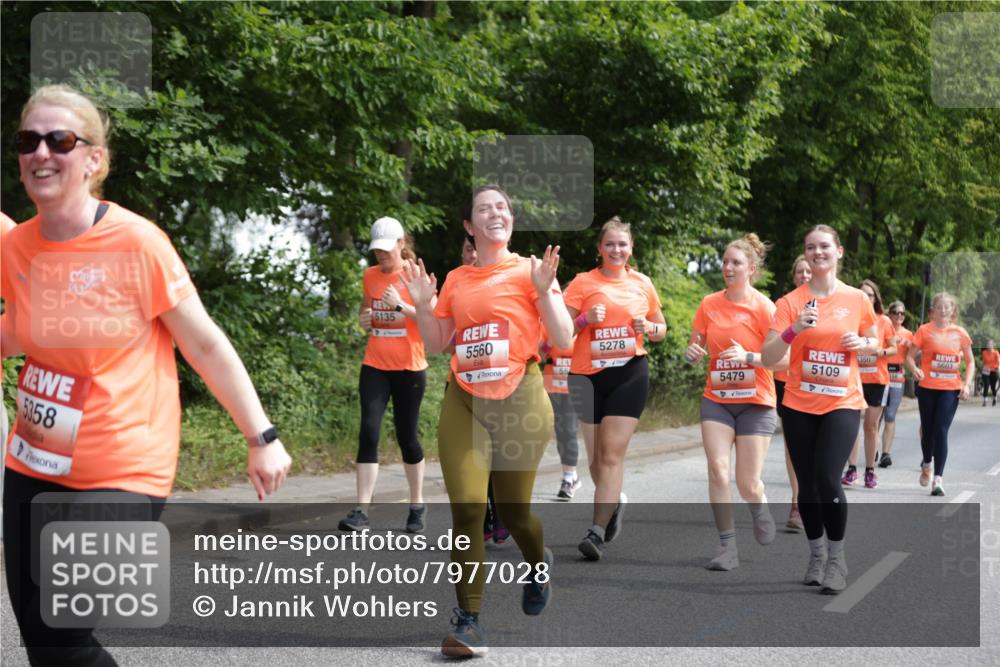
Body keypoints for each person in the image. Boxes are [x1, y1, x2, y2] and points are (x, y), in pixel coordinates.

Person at [1, 84, 291, 666]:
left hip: (123, 467)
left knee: (63, 634)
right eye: (28, 141)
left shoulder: (136, 243)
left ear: (93, 160)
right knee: (41, 638)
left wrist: (262, 437)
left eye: (59, 140)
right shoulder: (19, 248)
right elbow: (21, 332)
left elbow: (204, 344)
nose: (41, 153)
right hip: (34, 459)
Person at [402, 184, 573, 657]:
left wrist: (544, 295)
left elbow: (564, 337)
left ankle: (539, 563)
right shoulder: (457, 279)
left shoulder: (532, 271)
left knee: (516, 514)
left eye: (501, 207)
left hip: (521, 398)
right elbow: (438, 342)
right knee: (469, 511)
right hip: (465, 402)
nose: (494, 213)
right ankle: (469, 620)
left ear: (511, 220)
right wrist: (420, 303)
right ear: (469, 226)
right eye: (483, 208)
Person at [762, 224, 879, 595]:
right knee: (808, 487)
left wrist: (862, 342)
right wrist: (793, 330)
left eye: (824, 246)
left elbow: (876, 343)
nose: (818, 252)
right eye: (811, 247)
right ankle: (816, 555)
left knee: (828, 478)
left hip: (842, 402)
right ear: (806, 254)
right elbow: (767, 357)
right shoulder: (789, 303)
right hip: (798, 403)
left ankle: (837, 558)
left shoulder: (857, 300)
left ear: (839, 252)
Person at [564, 217, 667, 561]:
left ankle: (595, 531)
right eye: (610, 244)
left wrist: (650, 326)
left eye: (622, 244)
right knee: (595, 461)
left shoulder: (642, 283)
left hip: (629, 373)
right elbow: (560, 331)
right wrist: (584, 321)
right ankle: (616, 501)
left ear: (631, 248)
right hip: (586, 377)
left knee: (610, 455)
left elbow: (661, 330)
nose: (616, 250)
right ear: (600, 249)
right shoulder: (581, 283)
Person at [685, 234, 782, 571]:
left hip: (756, 402)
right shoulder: (709, 304)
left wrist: (751, 357)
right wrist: (692, 353)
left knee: (747, 483)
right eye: (725, 261)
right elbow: (693, 346)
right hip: (718, 400)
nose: (728, 267)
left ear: (751, 269)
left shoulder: (766, 307)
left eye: (735, 262)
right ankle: (728, 547)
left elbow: (784, 362)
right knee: (716, 469)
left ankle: (759, 505)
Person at [341, 217, 428, 533]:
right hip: (375, 364)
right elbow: (367, 309)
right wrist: (364, 319)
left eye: (387, 251)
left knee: (407, 437)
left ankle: (417, 505)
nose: (381, 257)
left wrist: (401, 306)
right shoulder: (370, 275)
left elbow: (432, 321)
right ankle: (361, 510)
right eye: (377, 251)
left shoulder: (416, 275)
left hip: (410, 368)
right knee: (368, 430)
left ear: (401, 244)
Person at [906, 292, 975, 496]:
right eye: (939, 306)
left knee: (941, 430)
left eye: (947, 307)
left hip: (950, 388)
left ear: (953, 311)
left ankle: (938, 479)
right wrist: (914, 369)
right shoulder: (924, 330)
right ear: (932, 311)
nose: (943, 310)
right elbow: (909, 357)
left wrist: (967, 384)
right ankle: (927, 462)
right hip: (927, 387)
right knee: (927, 431)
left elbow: (970, 361)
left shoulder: (960, 333)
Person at [842, 280, 896, 489]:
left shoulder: (884, 321)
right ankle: (852, 469)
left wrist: (880, 352)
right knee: (852, 425)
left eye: (870, 295)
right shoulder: (850, 318)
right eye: (862, 293)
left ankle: (870, 471)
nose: (865, 297)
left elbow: (893, 348)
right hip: (854, 378)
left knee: (870, 426)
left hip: (877, 380)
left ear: (875, 298)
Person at [774, 255, 810, 531]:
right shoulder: (785, 304)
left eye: (809, 271)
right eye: (800, 271)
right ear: (794, 276)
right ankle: (797, 503)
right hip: (786, 381)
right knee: (794, 445)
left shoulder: (835, 303)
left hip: (822, 385)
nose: (805, 275)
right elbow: (773, 346)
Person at [540, 321, 583, 500]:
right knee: (542, 432)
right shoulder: (546, 324)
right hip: (549, 387)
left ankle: (569, 478)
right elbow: (538, 355)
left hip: (574, 390)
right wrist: (549, 343)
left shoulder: (583, 326)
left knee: (567, 432)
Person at [879, 300, 913, 467]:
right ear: (890, 314)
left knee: (890, 415)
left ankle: (886, 453)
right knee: (876, 415)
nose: (900, 316)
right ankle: (874, 447)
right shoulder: (883, 329)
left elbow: (913, 357)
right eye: (897, 313)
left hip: (897, 377)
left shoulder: (908, 334)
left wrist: (912, 348)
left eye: (902, 314)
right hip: (880, 374)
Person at [982, 339, 998, 407]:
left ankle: (994, 398)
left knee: (993, 387)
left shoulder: (996, 353)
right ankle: (985, 400)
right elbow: (984, 362)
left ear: (993, 345)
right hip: (986, 371)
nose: (989, 345)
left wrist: (998, 369)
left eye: (990, 344)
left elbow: (998, 362)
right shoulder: (984, 352)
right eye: (988, 344)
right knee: (986, 385)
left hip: (993, 371)